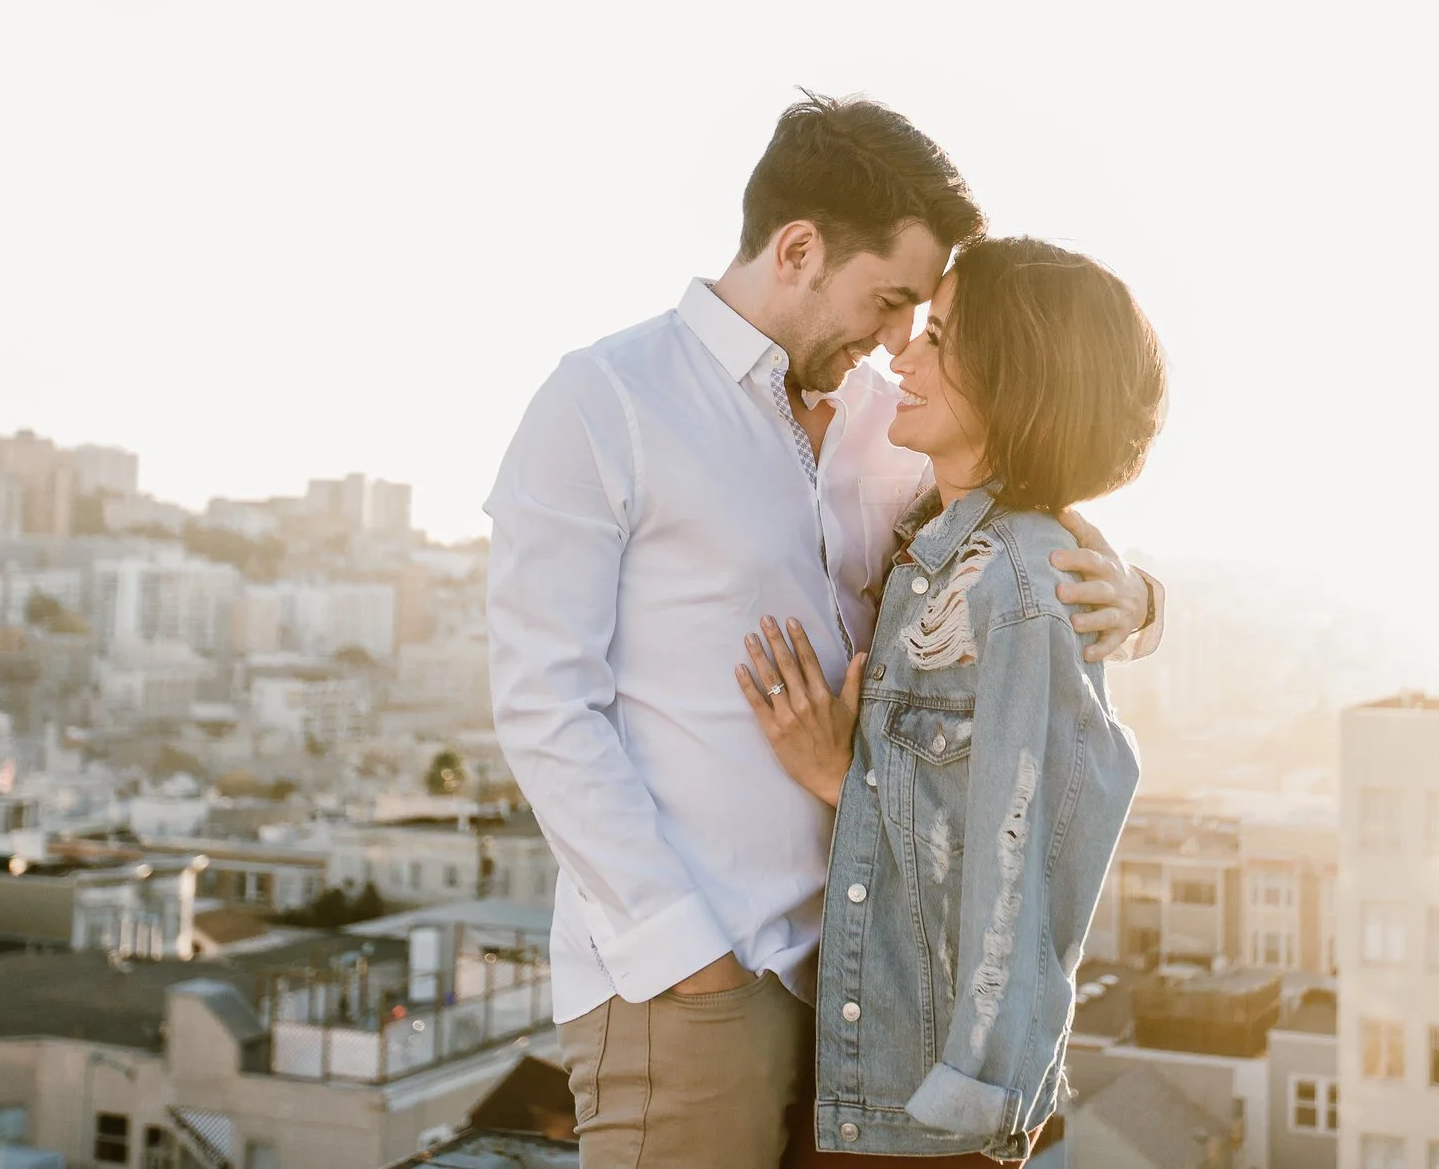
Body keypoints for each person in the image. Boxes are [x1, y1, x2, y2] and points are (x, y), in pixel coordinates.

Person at [487, 96, 1167, 1169]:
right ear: (798, 249)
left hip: (863, 984)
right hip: (700, 978)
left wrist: (1139, 598)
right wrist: (687, 956)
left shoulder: (875, 421)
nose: (899, 339)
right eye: (891, 298)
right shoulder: (604, 400)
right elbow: (543, 704)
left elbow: (1019, 511)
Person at [741, 236, 1162, 1164]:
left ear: (1020, 377)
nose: (904, 353)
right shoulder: (943, 552)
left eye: (941, 335)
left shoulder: (1014, 588)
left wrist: (837, 778)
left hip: (926, 1114)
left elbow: (1021, 861)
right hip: (876, 1084)